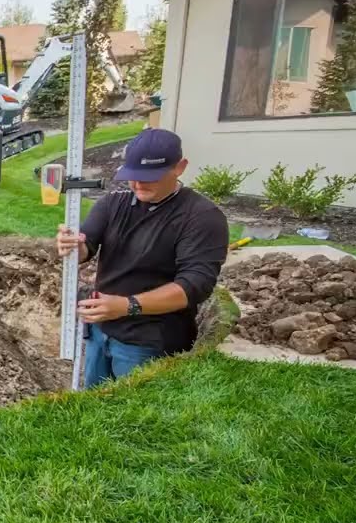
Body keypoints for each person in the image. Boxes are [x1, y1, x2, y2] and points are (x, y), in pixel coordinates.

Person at [56, 128, 228, 388]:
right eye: (132, 176)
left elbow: (194, 285)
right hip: (101, 332)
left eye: (149, 177)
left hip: (150, 343)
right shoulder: (113, 204)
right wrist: (72, 245)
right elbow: (85, 246)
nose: (138, 184)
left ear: (179, 168)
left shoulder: (201, 217)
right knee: (93, 412)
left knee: (138, 418)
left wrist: (127, 306)